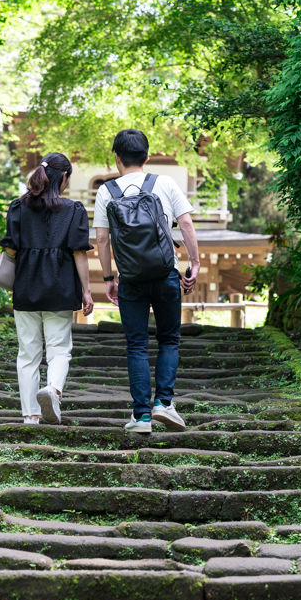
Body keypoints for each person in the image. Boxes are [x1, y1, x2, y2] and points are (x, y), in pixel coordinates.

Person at [93, 129, 200, 434]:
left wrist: (109, 278)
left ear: (116, 158)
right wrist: (195, 261)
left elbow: (102, 239)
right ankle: (163, 404)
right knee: (168, 339)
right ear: (147, 157)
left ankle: (141, 417)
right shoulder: (163, 183)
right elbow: (187, 222)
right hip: (166, 273)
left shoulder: (106, 191)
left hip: (131, 279)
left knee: (137, 345)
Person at [0, 153, 95, 425]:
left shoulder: (18, 207)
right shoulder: (74, 209)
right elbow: (79, 253)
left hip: (26, 286)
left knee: (28, 353)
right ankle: (52, 389)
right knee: (59, 349)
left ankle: (30, 415)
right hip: (60, 287)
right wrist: (87, 291)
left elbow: (10, 249)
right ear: (63, 177)